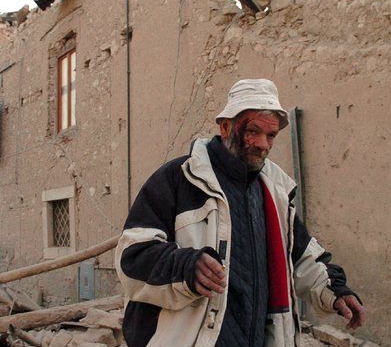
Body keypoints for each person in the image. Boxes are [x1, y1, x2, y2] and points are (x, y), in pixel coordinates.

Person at [115, 79, 365, 347]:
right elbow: (132, 258)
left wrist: (334, 291)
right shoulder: (178, 179)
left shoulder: (275, 193)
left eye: (270, 136)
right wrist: (186, 267)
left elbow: (303, 257)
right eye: (253, 132)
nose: (262, 144)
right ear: (225, 126)